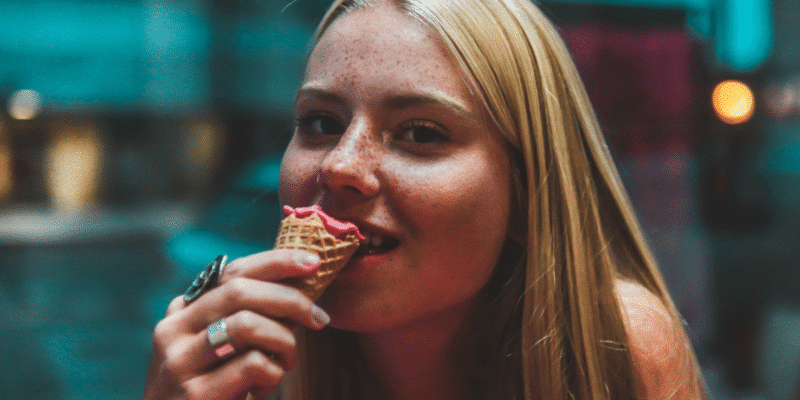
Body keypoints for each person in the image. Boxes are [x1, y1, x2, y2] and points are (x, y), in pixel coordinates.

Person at [143, 0, 707, 399]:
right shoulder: (241, 376)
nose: (339, 165)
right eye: (319, 122)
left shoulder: (608, 350)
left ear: (529, 199)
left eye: (420, 133)